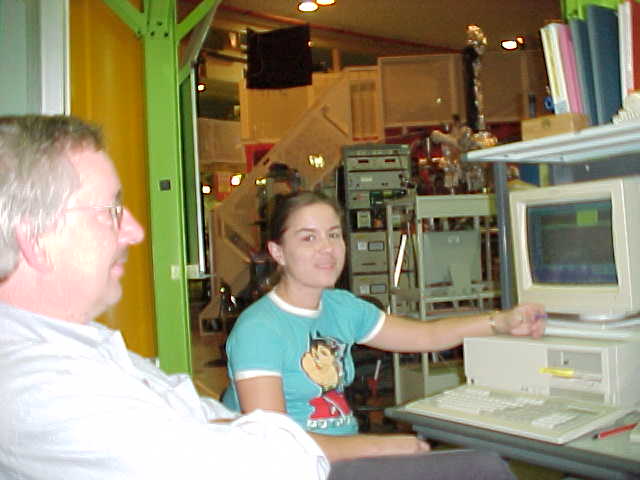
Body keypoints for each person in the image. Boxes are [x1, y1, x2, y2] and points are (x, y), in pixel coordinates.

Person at [0, 115, 329, 479]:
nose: (135, 232)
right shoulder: (40, 389)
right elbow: (275, 468)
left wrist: (223, 433)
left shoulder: (79, 343)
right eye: (110, 212)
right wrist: (243, 434)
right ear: (35, 240)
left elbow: (210, 424)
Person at [222, 190, 546, 467]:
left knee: (481, 462)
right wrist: (381, 446)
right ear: (278, 252)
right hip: (302, 467)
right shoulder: (260, 329)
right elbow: (277, 443)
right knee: (480, 467)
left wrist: (499, 322)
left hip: (346, 455)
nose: (327, 248)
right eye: (309, 238)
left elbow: (426, 335)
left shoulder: (341, 307)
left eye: (333, 235)